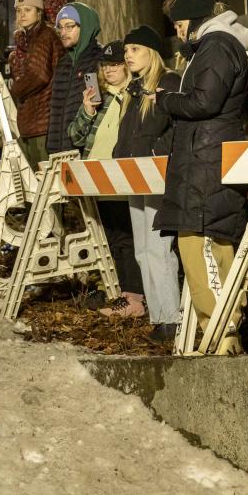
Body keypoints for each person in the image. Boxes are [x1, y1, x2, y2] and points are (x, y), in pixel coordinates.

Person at [155, 0, 248, 353]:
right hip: (205, 159)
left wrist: (167, 101)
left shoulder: (216, 46)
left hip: (206, 162)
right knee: (212, 243)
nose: (177, 33)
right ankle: (221, 329)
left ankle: (221, 332)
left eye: (178, 25)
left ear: (193, 19)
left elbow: (204, 101)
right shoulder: (219, 45)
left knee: (201, 245)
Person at [68, 39, 147, 317]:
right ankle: (122, 294)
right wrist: (87, 110)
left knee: (128, 238)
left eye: (116, 64)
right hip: (96, 179)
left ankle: (134, 298)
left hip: (123, 177)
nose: (110, 70)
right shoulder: (98, 98)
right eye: (106, 65)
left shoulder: (135, 95)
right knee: (112, 238)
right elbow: (75, 136)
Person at [116, 25, 182, 343]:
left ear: (151, 53)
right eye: (127, 50)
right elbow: (126, 136)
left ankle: (172, 318)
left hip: (157, 177)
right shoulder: (134, 90)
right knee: (143, 251)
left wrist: (155, 153)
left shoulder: (168, 83)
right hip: (133, 176)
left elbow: (168, 126)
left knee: (159, 249)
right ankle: (159, 317)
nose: (128, 55)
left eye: (135, 50)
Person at [8, 0, 60, 165]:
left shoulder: (44, 36)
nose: (22, 14)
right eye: (19, 10)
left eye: (28, 10)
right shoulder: (25, 41)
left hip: (43, 123)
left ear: (39, 12)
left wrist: (13, 90)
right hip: (30, 122)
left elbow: (38, 75)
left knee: (44, 182)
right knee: (33, 183)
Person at [45, 3, 103, 157]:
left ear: (85, 27)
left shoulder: (99, 60)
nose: (63, 32)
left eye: (69, 26)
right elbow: (56, 110)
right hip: (60, 153)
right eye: (60, 27)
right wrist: (52, 149)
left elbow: (98, 107)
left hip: (86, 152)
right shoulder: (63, 63)